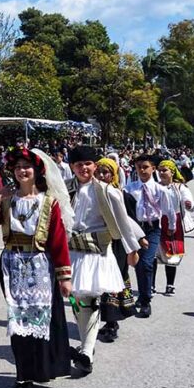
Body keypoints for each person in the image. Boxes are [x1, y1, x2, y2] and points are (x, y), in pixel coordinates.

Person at [0, 148, 73, 388]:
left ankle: (40, 370)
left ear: (37, 171)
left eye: (26, 166)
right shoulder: (8, 200)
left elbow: (58, 241)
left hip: (40, 264)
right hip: (12, 263)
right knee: (18, 320)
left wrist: (64, 277)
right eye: (18, 166)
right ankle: (23, 376)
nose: (22, 170)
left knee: (40, 319)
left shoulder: (48, 202)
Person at [64, 146, 144, 375]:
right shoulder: (65, 189)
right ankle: (86, 346)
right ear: (72, 167)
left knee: (89, 299)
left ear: (94, 166)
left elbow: (123, 222)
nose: (83, 168)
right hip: (72, 251)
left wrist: (132, 248)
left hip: (97, 251)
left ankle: (87, 351)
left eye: (88, 164)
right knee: (77, 301)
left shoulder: (108, 192)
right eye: (78, 164)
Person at [94, 157, 142, 342]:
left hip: (117, 244)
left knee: (113, 280)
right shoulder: (91, 193)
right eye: (99, 172)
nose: (102, 176)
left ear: (113, 174)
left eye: (106, 172)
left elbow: (128, 222)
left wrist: (137, 242)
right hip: (98, 243)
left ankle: (112, 323)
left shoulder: (119, 194)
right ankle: (103, 321)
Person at [124, 154, 177, 318]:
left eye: (145, 167)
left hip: (152, 228)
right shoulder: (130, 188)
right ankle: (141, 295)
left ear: (153, 168)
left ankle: (146, 301)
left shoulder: (160, 190)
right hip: (134, 228)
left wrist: (172, 227)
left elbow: (169, 211)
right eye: (139, 167)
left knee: (146, 262)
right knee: (137, 264)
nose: (142, 170)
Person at [157, 160, 194, 295]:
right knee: (154, 253)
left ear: (172, 172)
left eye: (164, 170)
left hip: (175, 222)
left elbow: (188, 200)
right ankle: (151, 286)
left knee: (172, 253)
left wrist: (189, 204)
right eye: (160, 170)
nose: (161, 173)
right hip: (158, 221)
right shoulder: (155, 187)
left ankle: (170, 284)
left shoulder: (180, 188)